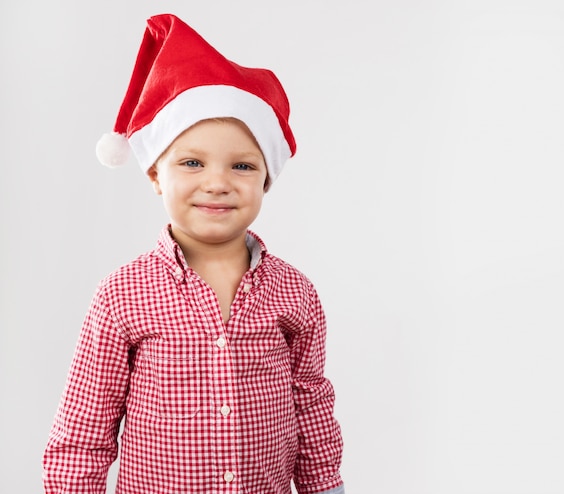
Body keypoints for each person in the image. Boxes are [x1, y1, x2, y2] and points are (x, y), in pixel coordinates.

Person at [42, 13, 344, 494]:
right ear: (156, 175)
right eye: (192, 162)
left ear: (266, 179)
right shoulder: (122, 295)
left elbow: (310, 402)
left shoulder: (296, 292)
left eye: (242, 165)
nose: (218, 183)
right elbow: (85, 428)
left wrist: (324, 484)